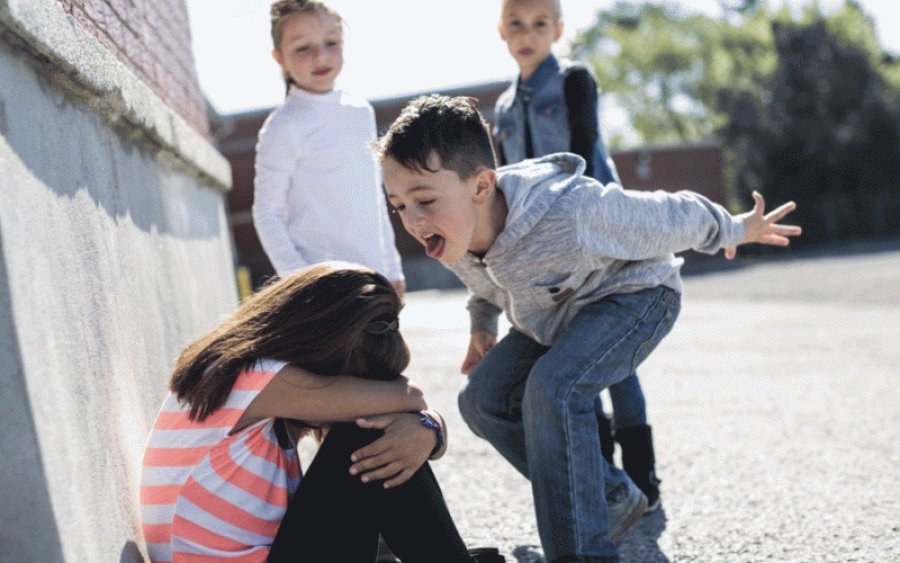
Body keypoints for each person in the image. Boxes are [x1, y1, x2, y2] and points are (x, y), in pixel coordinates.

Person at [376, 95, 801, 562]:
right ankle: (610, 497)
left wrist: (737, 229)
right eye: (398, 205)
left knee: (553, 388)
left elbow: (669, 214)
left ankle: (585, 553)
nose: (412, 221)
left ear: (480, 186)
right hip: (556, 317)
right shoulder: (453, 229)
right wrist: (482, 325)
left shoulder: (570, 212)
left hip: (636, 297)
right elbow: (487, 284)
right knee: (480, 400)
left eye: (424, 200)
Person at [139, 262, 505, 562]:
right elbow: (409, 397)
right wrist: (426, 425)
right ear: (320, 343)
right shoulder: (253, 377)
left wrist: (427, 430)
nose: (354, 399)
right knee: (368, 434)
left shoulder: (249, 381)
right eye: (354, 384)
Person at [491, 0, 658, 511]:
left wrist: (594, 245)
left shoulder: (573, 81)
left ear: (558, 30)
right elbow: (507, 183)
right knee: (570, 352)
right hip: (542, 247)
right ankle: (604, 476)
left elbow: (586, 150)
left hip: (597, 232)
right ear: (501, 31)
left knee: (615, 358)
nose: (528, 34)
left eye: (540, 25)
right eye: (516, 24)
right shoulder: (500, 108)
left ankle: (642, 476)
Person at [253, 0, 405, 296]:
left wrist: (392, 267)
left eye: (331, 42)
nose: (320, 56)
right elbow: (266, 213)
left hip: (375, 278)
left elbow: (374, 197)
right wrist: (300, 280)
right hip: (323, 288)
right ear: (279, 58)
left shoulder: (361, 112)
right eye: (302, 48)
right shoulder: (283, 126)